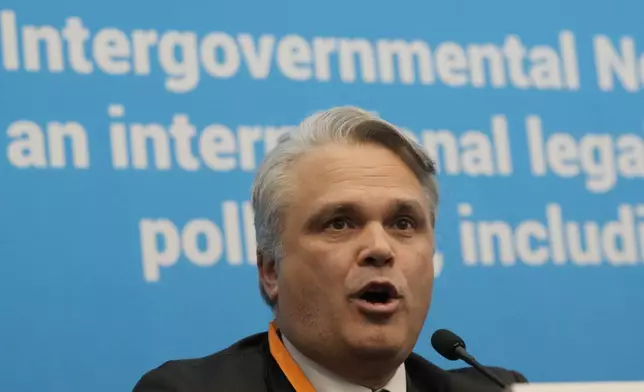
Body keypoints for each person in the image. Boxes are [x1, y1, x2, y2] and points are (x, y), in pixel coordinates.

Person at [133, 107, 527, 392]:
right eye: (340, 223)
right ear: (270, 269)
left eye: (403, 224)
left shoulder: (498, 389)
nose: (379, 248)